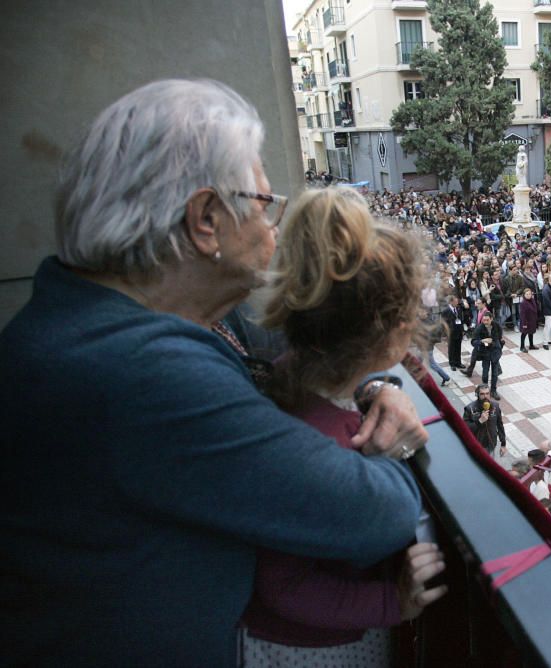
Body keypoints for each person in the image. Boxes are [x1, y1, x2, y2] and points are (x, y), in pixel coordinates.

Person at [0, 79, 425, 665]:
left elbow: (316, 350)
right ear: (206, 219)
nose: (274, 228)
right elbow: (379, 512)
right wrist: (394, 452)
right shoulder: (141, 373)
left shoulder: (109, 319)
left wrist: (375, 384)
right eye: (261, 204)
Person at [243, 187, 447, 664]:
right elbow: (283, 585)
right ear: (394, 333)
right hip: (308, 650)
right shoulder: (318, 450)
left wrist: (375, 389)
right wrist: (393, 601)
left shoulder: (296, 378)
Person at [463, 384, 507, 457]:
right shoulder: (470, 408)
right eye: (482, 394)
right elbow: (464, 428)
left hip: (491, 443)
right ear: (477, 395)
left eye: (487, 393)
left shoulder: (495, 406)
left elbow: (500, 425)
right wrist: (479, 421)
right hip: (476, 445)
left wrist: (503, 444)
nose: (485, 396)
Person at [468, 311, 504, 400]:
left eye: (487, 320)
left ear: (491, 319)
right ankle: (485, 391)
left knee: (495, 374)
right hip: (485, 353)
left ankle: (493, 391)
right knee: (485, 374)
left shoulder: (496, 325)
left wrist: (497, 346)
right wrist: (482, 341)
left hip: (495, 352)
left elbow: (499, 338)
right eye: (484, 320)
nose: (485, 322)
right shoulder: (479, 328)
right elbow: (473, 341)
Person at [442, 293, 468, 371]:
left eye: (457, 301)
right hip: (451, 333)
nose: (457, 303)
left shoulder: (458, 309)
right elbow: (443, 323)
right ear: (451, 302)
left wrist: (462, 330)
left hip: (458, 331)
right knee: (451, 348)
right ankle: (452, 363)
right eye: (455, 302)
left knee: (458, 347)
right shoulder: (446, 311)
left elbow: (461, 320)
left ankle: (458, 362)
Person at [519, 287, 540, 352]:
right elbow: (523, 315)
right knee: (524, 334)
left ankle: (531, 345)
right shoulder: (523, 303)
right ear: (524, 295)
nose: (528, 295)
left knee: (531, 333)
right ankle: (522, 347)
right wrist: (524, 324)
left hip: (532, 320)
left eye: (529, 294)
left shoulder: (533, 300)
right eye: (527, 294)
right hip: (526, 321)